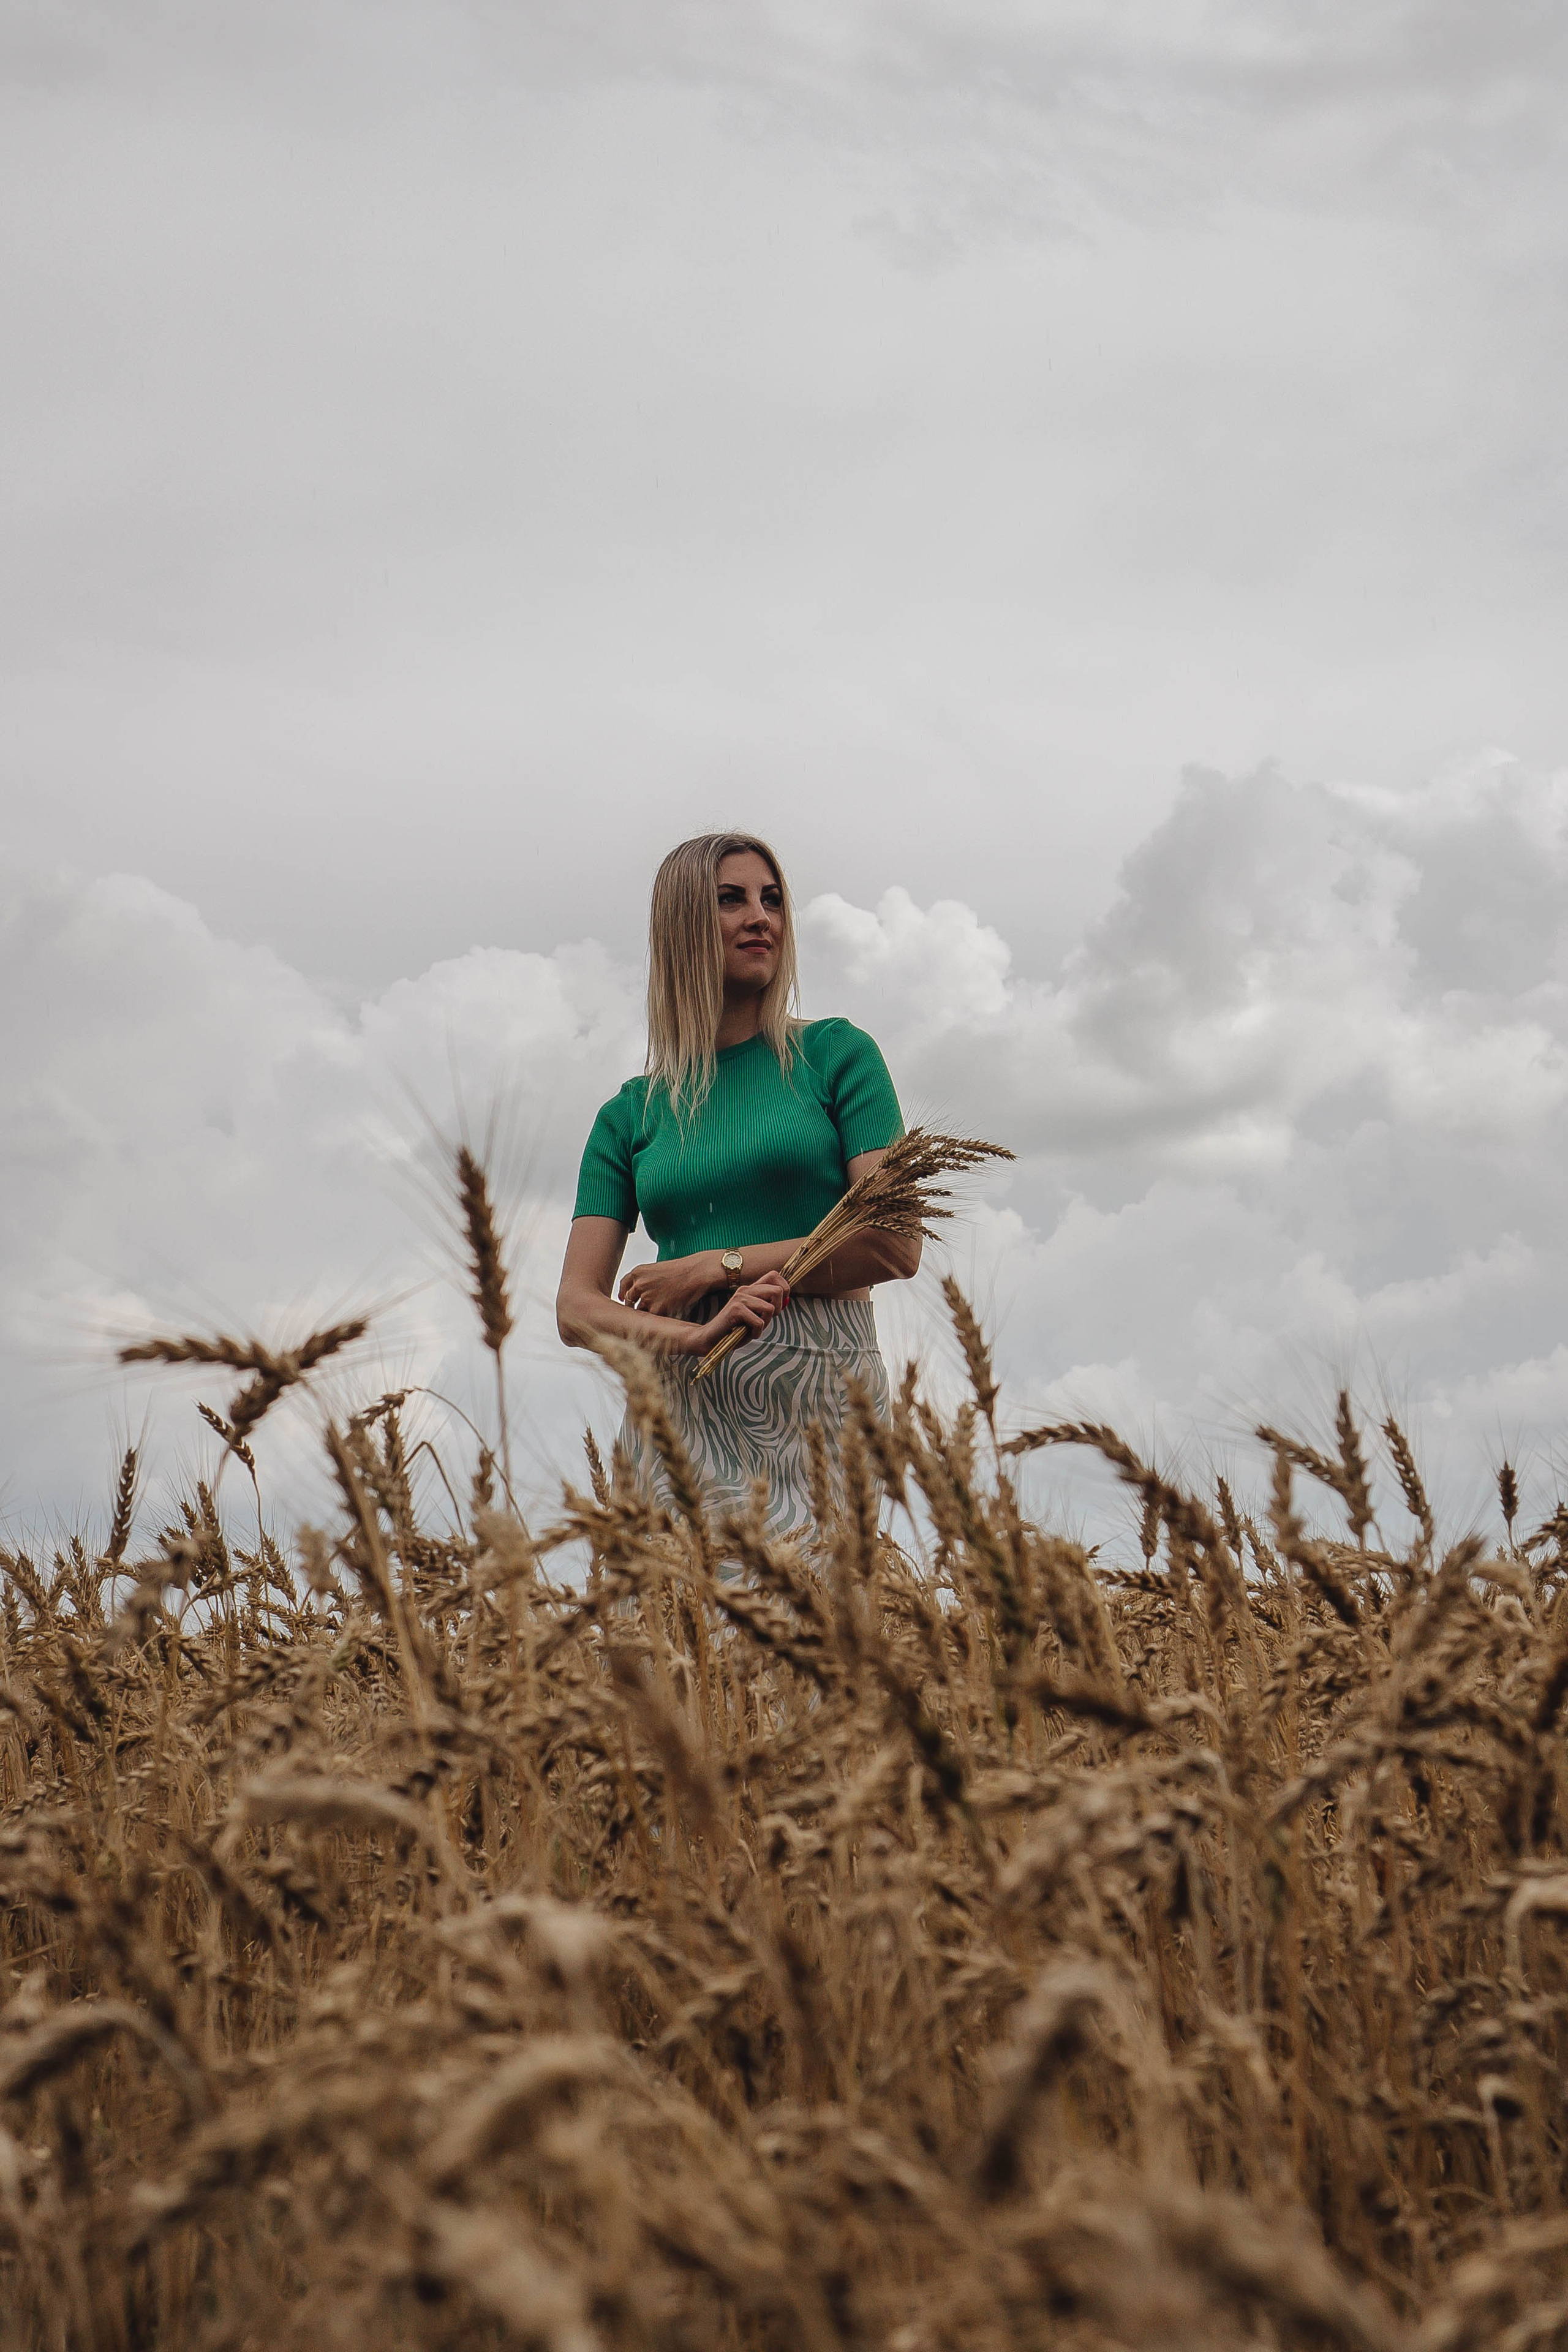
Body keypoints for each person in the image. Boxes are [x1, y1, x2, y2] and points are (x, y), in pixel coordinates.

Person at [556, 831, 919, 1536]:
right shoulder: (629, 1113)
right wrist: (690, 1338)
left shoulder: (838, 1056)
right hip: (680, 1412)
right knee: (678, 1605)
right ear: (682, 928)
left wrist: (711, 1268)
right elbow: (575, 1308)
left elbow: (893, 1243)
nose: (761, 917)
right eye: (731, 900)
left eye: (772, 899)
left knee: (823, 1604)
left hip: (821, 1401)